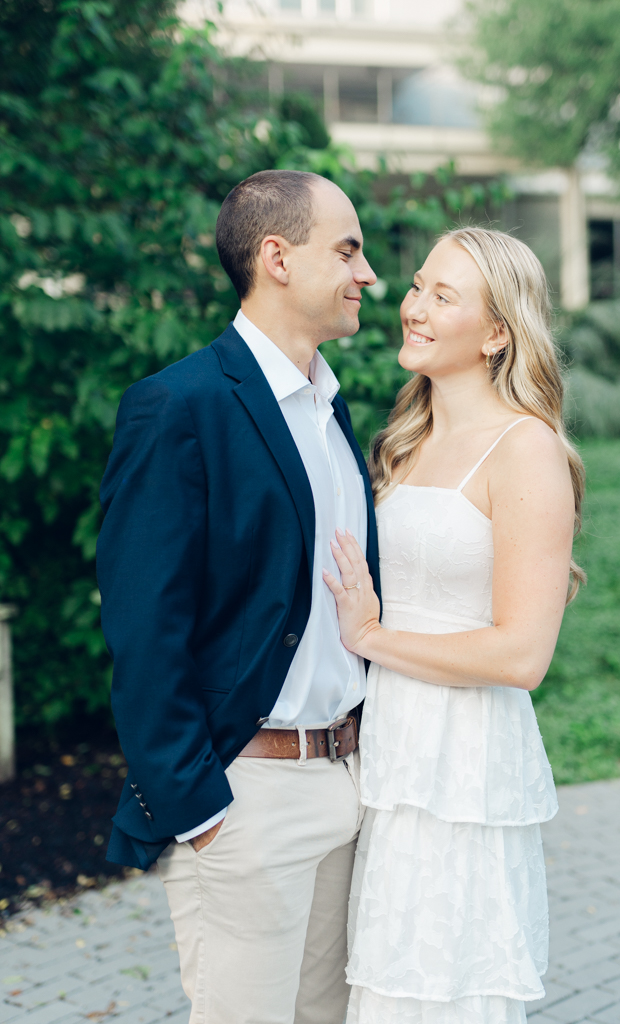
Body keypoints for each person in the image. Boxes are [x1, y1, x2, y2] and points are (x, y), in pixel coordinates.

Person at [96, 169, 380, 1024]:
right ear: (277, 257)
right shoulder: (177, 406)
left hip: (350, 780)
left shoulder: (332, 411)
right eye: (347, 249)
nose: (367, 275)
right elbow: (145, 631)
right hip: (248, 796)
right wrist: (203, 809)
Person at [323, 227, 585, 1023]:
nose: (414, 308)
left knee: (443, 990)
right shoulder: (405, 441)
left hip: (464, 764)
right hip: (391, 752)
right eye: (415, 287)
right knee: (384, 985)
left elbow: (522, 653)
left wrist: (371, 641)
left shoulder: (525, 449)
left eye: (445, 296)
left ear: (499, 330)